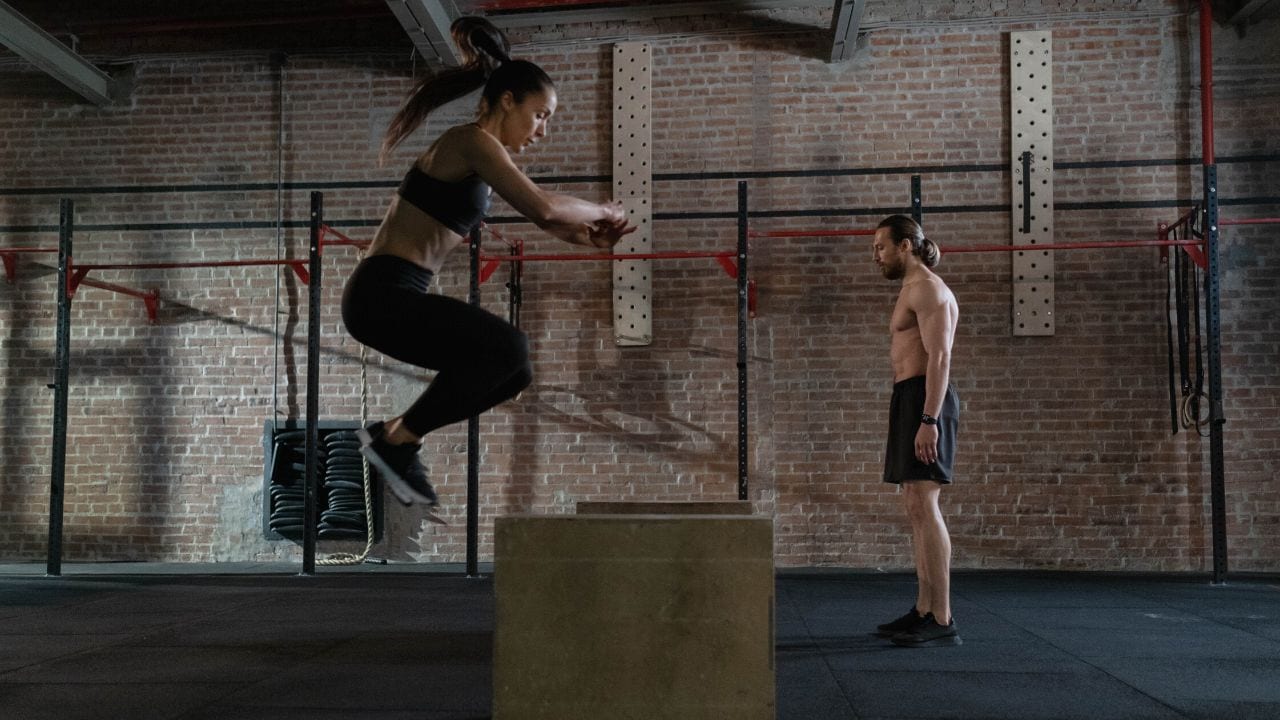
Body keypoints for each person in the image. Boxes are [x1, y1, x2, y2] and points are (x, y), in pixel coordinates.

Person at [343, 16, 634, 509]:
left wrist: (586, 238)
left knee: (513, 370)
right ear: (507, 101)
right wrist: (602, 210)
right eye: (540, 115)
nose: (542, 130)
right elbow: (541, 205)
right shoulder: (470, 142)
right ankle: (396, 441)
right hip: (381, 295)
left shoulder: (482, 156)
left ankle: (395, 435)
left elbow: (547, 219)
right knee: (510, 346)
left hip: (396, 297)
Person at [869, 215, 962, 648]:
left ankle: (942, 618)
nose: (877, 256)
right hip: (910, 397)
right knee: (915, 506)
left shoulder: (928, 288)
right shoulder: (911, 289)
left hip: (926, 401)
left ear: (906, 245)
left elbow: (940, 358)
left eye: (881, 247)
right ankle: (923, 608)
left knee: (926, 502)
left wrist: (929, 419)